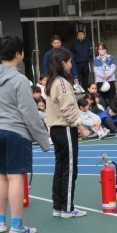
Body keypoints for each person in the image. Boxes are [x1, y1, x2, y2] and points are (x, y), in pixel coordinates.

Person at [0, 34, 51, 233]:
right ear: (18, 54)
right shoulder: (20, 80)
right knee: (15, 177)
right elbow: (29, 112)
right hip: (15, 131)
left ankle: (0, 222)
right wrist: (44, 140)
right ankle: (17, 226)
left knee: (2, 176)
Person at [45, 48, 88, 218]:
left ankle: (58, 206)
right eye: (70, 61)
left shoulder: (52, 81)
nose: (71, 64)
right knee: (69, 169)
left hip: (56, 129)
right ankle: (68, 208)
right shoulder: (62, 83)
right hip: (65, 129)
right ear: (63, 63)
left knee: (60, 168)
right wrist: (80, 127)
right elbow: (68, 108)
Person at [93, 42, 117, 107]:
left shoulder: (111, 57)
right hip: (100, 81)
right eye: (100, 49)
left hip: (110, 80)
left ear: (105, 49)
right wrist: (102, 76)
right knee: (101, 98)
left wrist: (108, 75)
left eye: (103, 49)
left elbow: (113, 67)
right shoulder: (96, 59)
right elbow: (95, 70)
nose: (101, 50)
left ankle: (112, 109)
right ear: (98, 50)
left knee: (112, 98)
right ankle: (103, 110)